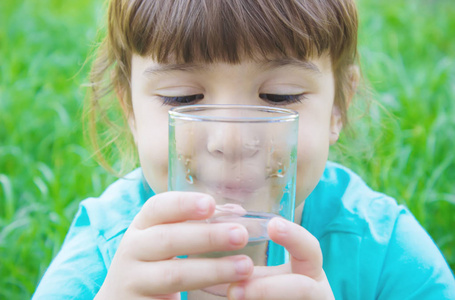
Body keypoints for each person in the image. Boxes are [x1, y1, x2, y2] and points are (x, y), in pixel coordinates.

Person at [32, 0, 455, 299]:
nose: (231, 141)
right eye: (181, 98)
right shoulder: (104, 264)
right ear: (129, 109)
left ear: (337, 107)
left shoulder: (386, 257)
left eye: (280, 95)